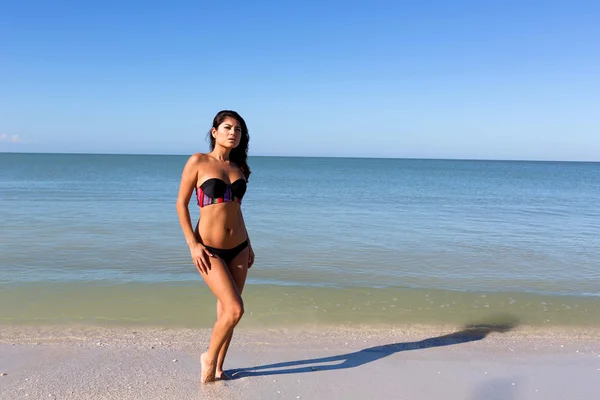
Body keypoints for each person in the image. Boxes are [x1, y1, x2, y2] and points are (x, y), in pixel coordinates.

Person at [176, 110, 254, 384]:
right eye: (227, 127)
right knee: (235, 308)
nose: (233, 133)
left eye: (238, 130)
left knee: (227, 312)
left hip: (240, 247)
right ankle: (208, 358)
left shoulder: (240, 169)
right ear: (214, 132)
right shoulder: (198, 161)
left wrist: (250, 245)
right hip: (209, 249)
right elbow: (181, 205)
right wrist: (193, 245)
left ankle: (219, 368)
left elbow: (237, 210)